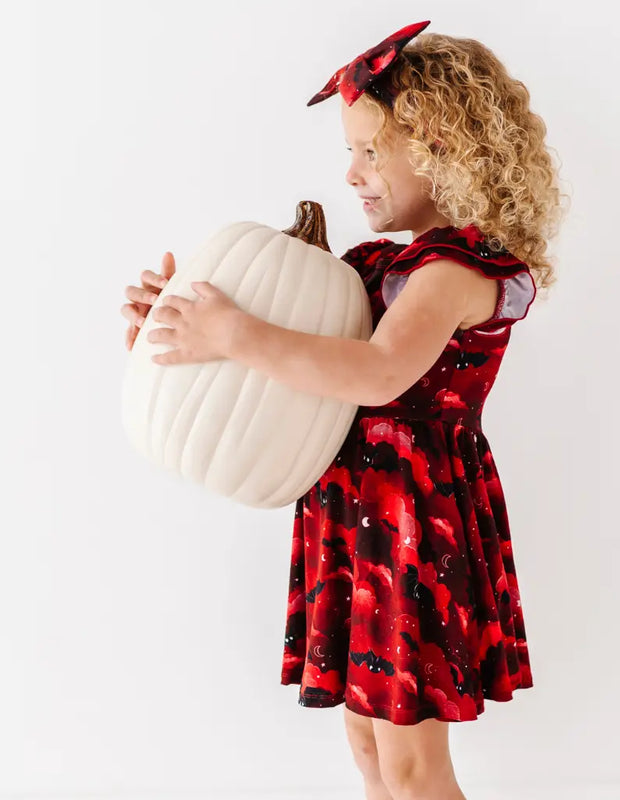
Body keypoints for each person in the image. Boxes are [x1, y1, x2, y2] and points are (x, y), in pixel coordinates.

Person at [120, 19, 567, 800]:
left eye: (371, 151)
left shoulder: (457, 270)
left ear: (442, 149)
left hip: (411, 522)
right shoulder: (368, 267)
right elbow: (291, 366)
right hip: (355, 513)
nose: (354, 173)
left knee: (410, 763)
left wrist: (236, 331)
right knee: (367, 746)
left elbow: (377, 372)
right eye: (349, 154)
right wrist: (184, 334)